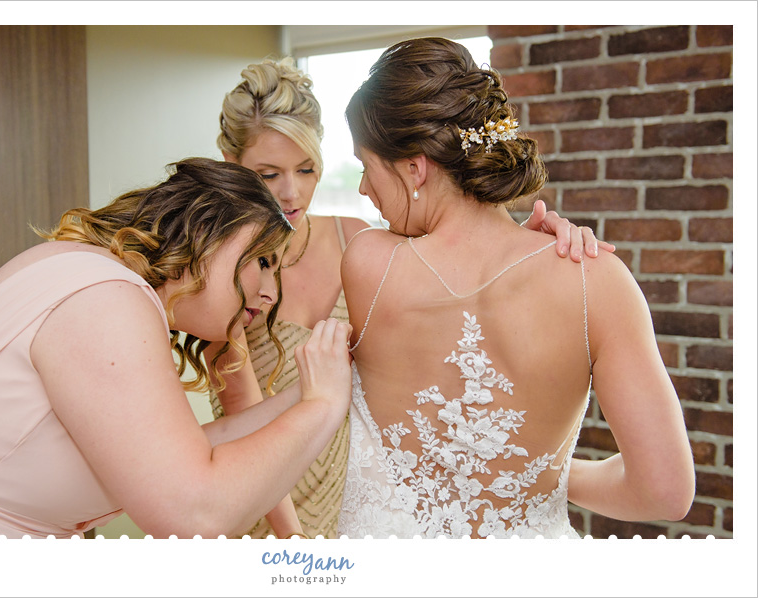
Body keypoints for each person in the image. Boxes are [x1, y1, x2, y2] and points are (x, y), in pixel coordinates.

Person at [205, 57, 616, 539]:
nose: (291, 192)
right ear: (231, 167)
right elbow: (244, 417)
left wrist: (533, 242)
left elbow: (459, 293)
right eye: (268, 174)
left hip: (369, 511)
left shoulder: (359, 243)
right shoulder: (221, 271)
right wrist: (299, 547)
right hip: (268, 508)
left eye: (306, 168)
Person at [0, 157, 354, 539]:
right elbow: (195, 513)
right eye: (263, 261)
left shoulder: (85, 269)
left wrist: (306, 393)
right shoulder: (107, 299)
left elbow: (177, 456)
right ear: (207, 233)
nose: (271, 292)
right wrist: (323, 409)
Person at [337, 37, 695, 538]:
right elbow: (665, 491)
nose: (362, 189)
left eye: (365, 166)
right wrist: (533, 478)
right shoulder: (595, 280)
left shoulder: (368, 264)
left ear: (415, 167)